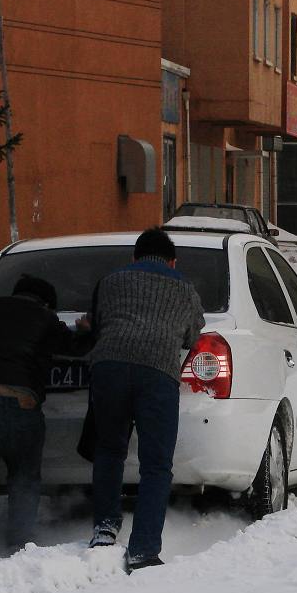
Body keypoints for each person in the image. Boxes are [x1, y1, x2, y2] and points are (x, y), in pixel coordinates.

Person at [87, 228, 205, 573]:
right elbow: (192, 334)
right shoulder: (185, 288)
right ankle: (143, 549)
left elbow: (97, 324)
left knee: (109, 450)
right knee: (156, 464)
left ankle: (105, 530)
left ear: (135, 258)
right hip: (157, 372)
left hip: (108, 366)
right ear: (172, 260)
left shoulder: (110, 281)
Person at [0, 276, 79, 566]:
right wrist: (84, 329)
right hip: (25, 406)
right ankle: (19, 546)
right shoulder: (46, 319)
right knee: (25, 482)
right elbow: (77, 348)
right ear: (46, 303)